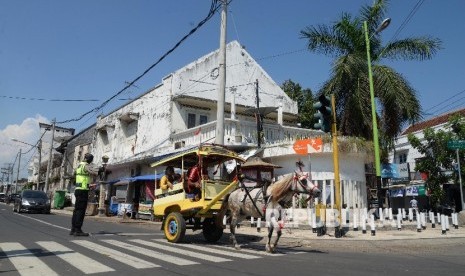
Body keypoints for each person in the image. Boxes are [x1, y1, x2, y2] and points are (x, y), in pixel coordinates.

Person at [70, 153, 100, 236]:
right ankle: (78, 230)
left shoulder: (79, 165)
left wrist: (89, 185)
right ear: (89, 159)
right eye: (91, 159)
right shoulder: (86, 165)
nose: (91, 161)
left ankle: (73, 229)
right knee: (81, 211)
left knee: (76, 210)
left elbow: (81, 180)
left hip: (78, 190)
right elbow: (94, 171)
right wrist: (101, 169)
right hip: (83, 191)